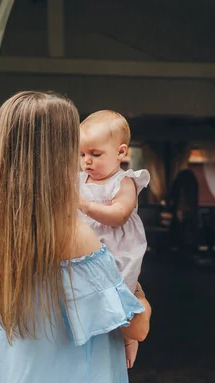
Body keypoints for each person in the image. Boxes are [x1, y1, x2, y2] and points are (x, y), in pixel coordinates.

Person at [0, 92, 151, 383]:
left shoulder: (3, 232)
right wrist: (139, 294)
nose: (83, 160)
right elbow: (135, 326)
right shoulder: (75, 237)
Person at [77, 110, 150, 368]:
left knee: (121, 296)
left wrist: (86, 207)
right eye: (82, 154)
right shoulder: (78, 180)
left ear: (120, 152)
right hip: (85, 252)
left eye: (95, 154)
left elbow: (119, 215)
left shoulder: (124, 182)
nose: (87, 161)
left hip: (116, 250)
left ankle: (129, 337)